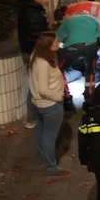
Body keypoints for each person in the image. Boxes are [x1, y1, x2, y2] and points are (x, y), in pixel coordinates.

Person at [29, 32, 71, 177]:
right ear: (47, 45)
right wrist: (59, 96)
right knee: (49, 136)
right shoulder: (43, 63)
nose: (58, 43)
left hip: (39, 104)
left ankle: (43, 158)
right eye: (54, 42)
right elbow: (43, 89)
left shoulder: (37, 57)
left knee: (41, 132)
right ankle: (51, 168)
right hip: (50, 105)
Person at [17, 0, 52, 128]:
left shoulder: (30, 9)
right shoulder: (34, 14)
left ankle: (33, 117)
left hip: (30, 51)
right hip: (34, 52)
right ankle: (32, 118)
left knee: (36, 84)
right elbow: (38, 36)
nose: (47, 0)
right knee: (36, 85)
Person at [55, 5, 100, 81]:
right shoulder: (95, 20)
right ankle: (90, 91)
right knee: (90, 71)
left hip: (73, 47)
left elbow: (57, 39)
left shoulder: (69, 20)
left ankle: (63, 90)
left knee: (59, 68)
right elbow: (99, 41)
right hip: (91, 47)